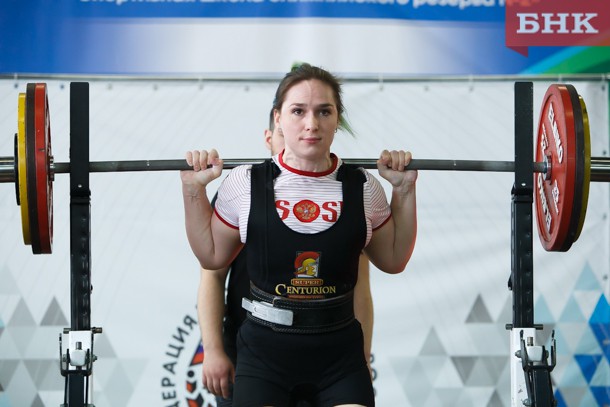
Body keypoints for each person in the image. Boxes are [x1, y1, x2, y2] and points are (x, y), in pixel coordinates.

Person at [181, 63, 417, 407]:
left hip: (339, 357)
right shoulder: (244, 183)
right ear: (278, 118)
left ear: (337, 119)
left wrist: (405, 191)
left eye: (324, 111)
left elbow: (394, 260)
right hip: (264, 357)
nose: (312, 124)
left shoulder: (365, 187)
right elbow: (210, 258)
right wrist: (193, 191)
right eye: (298, 111)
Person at [196, 109, 375, 405]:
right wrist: (213, 350)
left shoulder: (343, 196)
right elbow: (211, 276)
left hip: (329, 355)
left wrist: (363, 357)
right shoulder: (243, 192)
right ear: (270, 138)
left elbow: (361, 290)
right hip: (252, 353)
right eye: (284, 134)